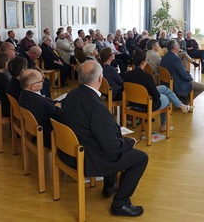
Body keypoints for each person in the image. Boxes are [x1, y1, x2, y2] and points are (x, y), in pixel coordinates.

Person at [61, 60, 148, 217]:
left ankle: (110, 185)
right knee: (141, 158)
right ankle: (120, 204)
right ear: (100, 78)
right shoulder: (95, 106)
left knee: (109, 137)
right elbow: (112, 146)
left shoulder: (72, 94)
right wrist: (130, 142)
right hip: (89, 157)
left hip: (70, 151)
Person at [124, 49, 193, 130]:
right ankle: (164, 125)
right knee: (166, 98)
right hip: (146, 105)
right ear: (143, 62)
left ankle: (182, 106)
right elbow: (156, 96)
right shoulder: (147, 77)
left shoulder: (126, 75)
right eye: (147, 60)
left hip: (133, 103)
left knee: (164, 88)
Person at [19, 69, 62, 148]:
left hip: (36, 129)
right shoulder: (41, 102)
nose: (43, 81)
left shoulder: (23, 94)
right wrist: (57, 106)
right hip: (47, 136)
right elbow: (59, 115)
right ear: (33, 86)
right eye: (41, 80)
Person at [161, 39, 204, 103]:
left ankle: (182, 100)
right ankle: (184, 101)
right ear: (174, 47)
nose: (179, 46)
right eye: (177, 45)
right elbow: (184, 75)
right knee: (202, 87)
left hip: (167, 82)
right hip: (177, 83)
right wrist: (190, 78)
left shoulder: (164, 57)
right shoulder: (176, 59)